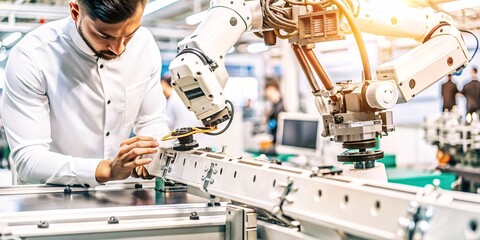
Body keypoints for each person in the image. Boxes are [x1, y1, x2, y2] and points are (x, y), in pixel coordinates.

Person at [1, 0, 171, 187]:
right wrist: (105, 169)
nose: (119, 49)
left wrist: (151, 154)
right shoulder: (32, 56)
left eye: (130, 34)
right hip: (50, 197)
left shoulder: (144, 45)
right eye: (104, 36)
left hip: (118, 196)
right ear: (75, 12)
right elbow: (29, 160)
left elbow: (152, 120)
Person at [264, 78, 285, 144]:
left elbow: (276, 126)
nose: (268, 94)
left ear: (276, 90)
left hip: (279, 142)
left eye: (270, 90)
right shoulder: (274, 106)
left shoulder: (280, 108)